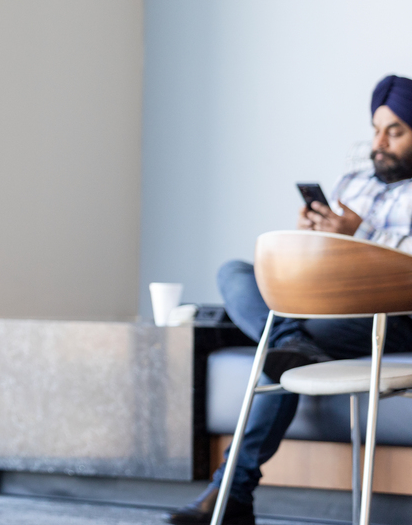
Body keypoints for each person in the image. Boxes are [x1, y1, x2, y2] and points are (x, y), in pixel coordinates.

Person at [169, 74, 412, 525]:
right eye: (376, 129)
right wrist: (314, 243)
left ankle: (231, 493)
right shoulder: (354, 183)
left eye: (394, 131)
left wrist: (356, 242)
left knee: (288, 349)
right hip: (320, 299)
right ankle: (291, 339)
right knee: (236, 272)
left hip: (388, 313)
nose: (379, 142)